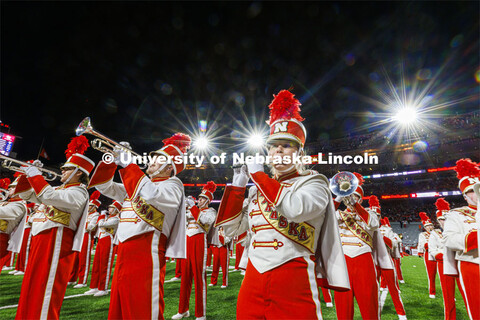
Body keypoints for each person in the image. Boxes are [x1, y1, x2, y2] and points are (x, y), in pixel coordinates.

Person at [215, 90, 349, 319]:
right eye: (273, 145)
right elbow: (229, 231)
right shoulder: (258, 188)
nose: (278, 149)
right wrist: (238, 188)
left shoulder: (314, 182)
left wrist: (258, 175)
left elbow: (296, 209)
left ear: (299, 153)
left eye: (286, 145)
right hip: (253, 279)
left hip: (293, 278)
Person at [89, 134, 190, 320]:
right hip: (124, 250)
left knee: (142, 308)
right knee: (120, 307)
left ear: (170, 167)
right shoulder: (138, 183)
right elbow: (104, 186)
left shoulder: (173, 184)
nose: (151, 161)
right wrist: (112, 158)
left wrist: (129, 165)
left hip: (147, 250)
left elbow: (151, 196)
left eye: (158, 159)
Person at [14, 137, 94, 319]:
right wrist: (27, 176)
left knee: (46, 289)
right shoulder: (59, 189)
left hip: (57, 242)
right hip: (42, 240)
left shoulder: (79, 192)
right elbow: (26, 194)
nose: (62, 171)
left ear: (79, 172)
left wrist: (36, 175)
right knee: (32, 286)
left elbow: (46, 195)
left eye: (67, 169)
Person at [333, 173, 381, 320]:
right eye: (349, 195)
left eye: (355, 196)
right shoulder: (338, 214)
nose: (351, 198)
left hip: (363, 260)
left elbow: (373, 224)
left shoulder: (369, 213)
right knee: (343, 307)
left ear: (360, 198)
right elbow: (324, 217)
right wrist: (338, 197)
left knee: (369, 304)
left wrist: (356, 205)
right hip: (343, 261)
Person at [172, 182, 217, 320]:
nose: (200, 200)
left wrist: (192, 207)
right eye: (199, 198)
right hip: (187, 242)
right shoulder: (191, 210)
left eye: (203, 198)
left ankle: (200, 313)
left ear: (208, 201)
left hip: (199, 241)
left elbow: (205, 222)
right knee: (185, 277)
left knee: (199, 277)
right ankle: (183, 310)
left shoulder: (210, 212)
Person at [443, 159, 479, 320]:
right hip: (472, 264)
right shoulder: (456, 214)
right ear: (465, 196)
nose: (476, 193)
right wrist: (475, 237)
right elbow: (450, 240)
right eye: (471, 191)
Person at [429, 198, 466, 320]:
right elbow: (433, 251)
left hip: (461, 262)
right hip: (444, 264)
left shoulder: (459, 230)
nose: (443, 222)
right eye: (441, 219)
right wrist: (444, 256)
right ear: (438, 220)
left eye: (445, 219)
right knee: (448, 296)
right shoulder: (434, 234)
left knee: (467, 294)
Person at [85, 200, 121, 296]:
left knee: (105, 264)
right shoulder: (108, 218)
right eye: (109, 207)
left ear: (116, 209)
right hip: (101, 240)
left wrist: (101, 216)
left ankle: (103, 288)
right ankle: (94, 286)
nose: (109, 209)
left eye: (112, 208)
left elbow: (101, 224)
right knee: (96, 263)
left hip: (108, 241)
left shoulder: (116, 219)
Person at [73, 190, 101, 288]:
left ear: (94, 207)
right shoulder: (85, 214)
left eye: (90, 206)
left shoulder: (95, 215)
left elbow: (90, 227)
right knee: (75, 258)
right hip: (80, 235)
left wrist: (81, 225)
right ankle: (72, 278)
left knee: (84, 259)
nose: (88, 207)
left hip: (87, 237)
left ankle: (82, 281)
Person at [0, 178, 28, 271]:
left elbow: (2, 212)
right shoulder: (8, 203)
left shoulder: (20, 205)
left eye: (12, 187)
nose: (8, 189)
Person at [418, 211, 437, 298]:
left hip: (439, 253)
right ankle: (432, 291)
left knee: (445, 274)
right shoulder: (422, 234)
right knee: (431, 274)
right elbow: (423, 244)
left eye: (430, 225)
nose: (429, 227)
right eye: (427, 226)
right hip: (429, 254)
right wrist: (420, 251)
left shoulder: (438, 232)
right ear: (425, 227)